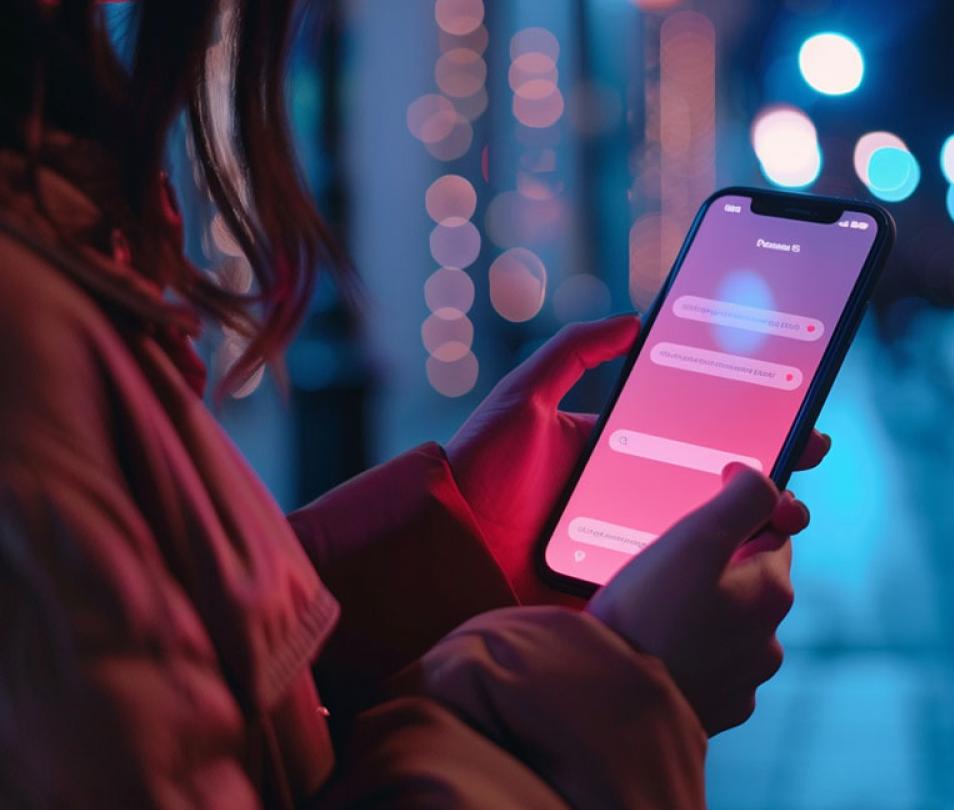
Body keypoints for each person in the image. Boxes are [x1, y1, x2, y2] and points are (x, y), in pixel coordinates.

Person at [0, 2, 831, 807]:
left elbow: (210, 688)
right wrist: (619, 682)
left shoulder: (62, 232)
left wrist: (463, 537)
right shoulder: (28, 328)